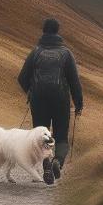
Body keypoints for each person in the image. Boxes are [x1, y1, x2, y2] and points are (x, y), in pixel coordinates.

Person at [18, 17, 83, 185]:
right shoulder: (66, 54)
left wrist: (31, 92)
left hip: (39, 101)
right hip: (61, 100)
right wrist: (79, 103)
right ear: (57, 31)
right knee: (61, 136)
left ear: (43, 31)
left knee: (42, 136)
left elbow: (22, 78)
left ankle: (46, 163)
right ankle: (57, 161)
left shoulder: (36, 52)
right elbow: (74, 81)